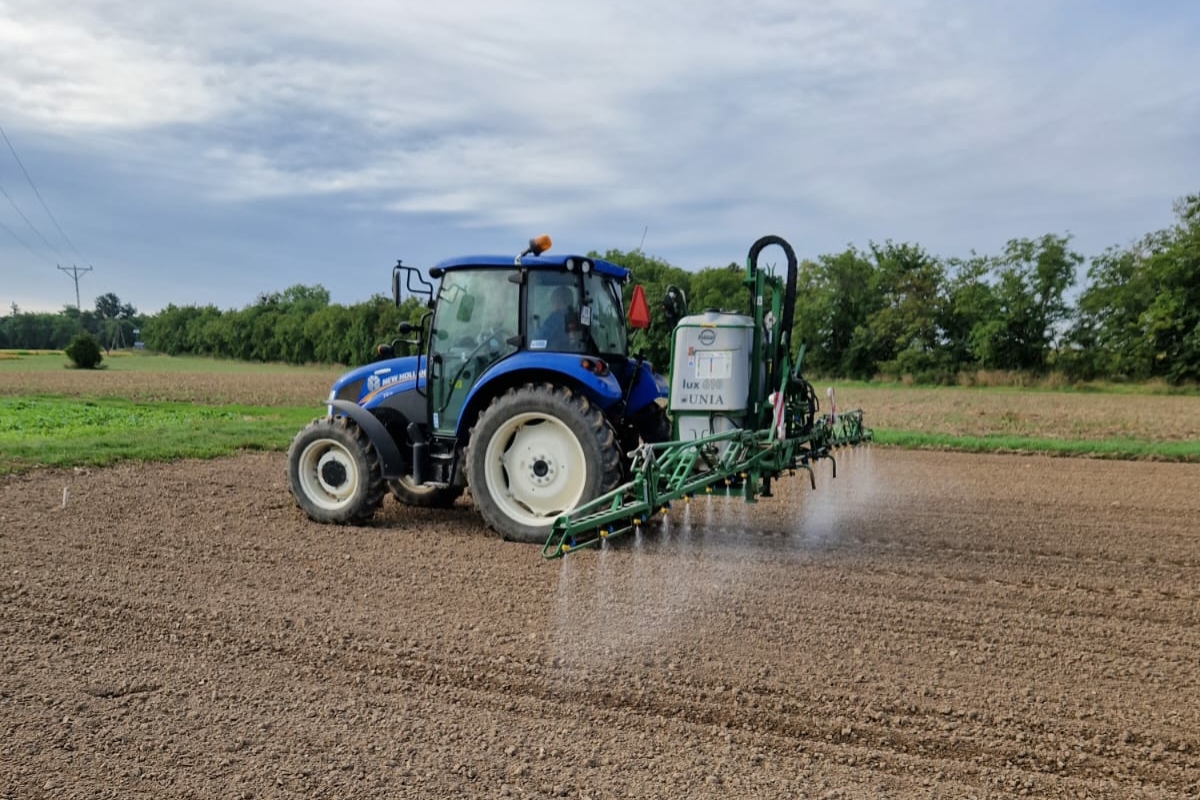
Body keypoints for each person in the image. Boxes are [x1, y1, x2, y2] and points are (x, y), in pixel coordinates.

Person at [537, 285, 578, 350]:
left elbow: (539, 339)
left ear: (558, 302)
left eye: (553, 302)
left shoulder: (554, 320)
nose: (552, 306)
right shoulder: (579, 318)